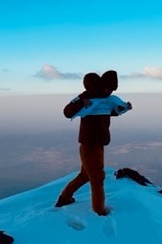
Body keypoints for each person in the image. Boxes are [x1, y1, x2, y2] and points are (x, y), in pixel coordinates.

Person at [55, 70, 132, 216]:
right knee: (97, 178)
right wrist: (80, 101)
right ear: (102, 85)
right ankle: (99, 210)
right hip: (89, 144)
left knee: (85, 175)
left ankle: (64, 198)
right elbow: (67, 112)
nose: (110, 92)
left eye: (112, 89)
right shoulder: (87, 96)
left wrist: (123, 108)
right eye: (108, 88)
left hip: (98, 143)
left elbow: (107, 113)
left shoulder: (106, 100)